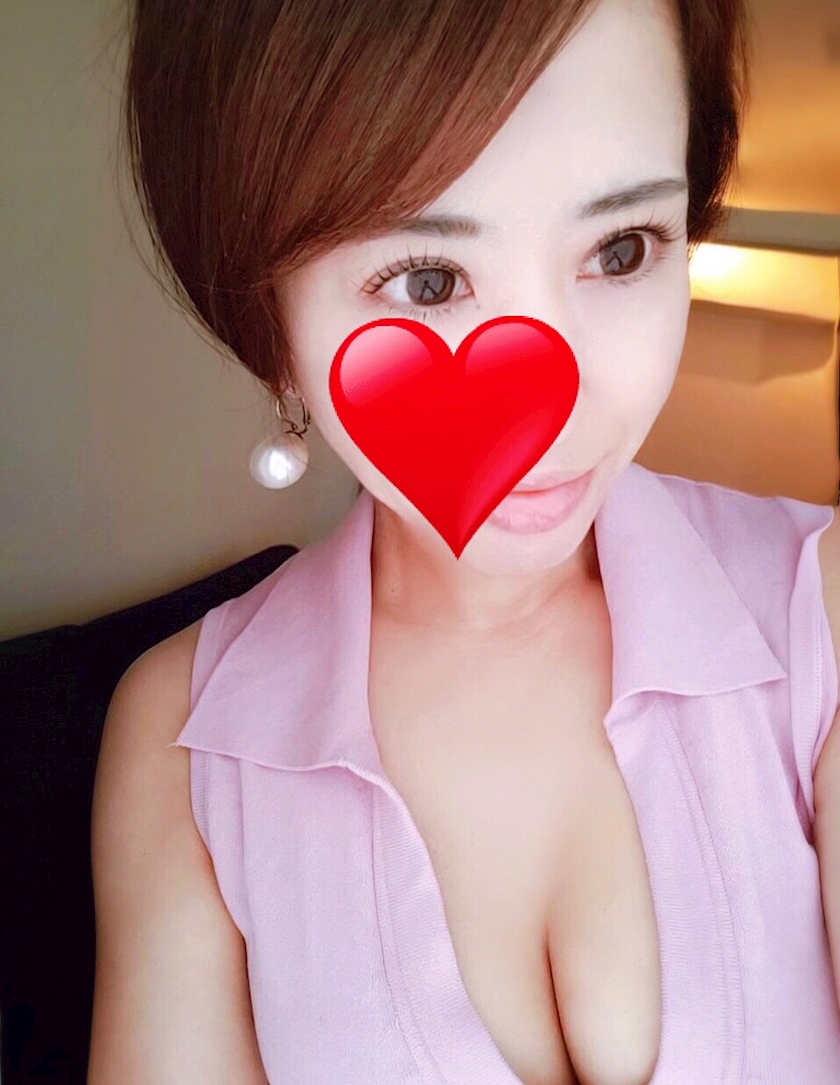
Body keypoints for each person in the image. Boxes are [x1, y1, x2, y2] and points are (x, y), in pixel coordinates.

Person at [88, 0, 840, 1082]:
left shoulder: (819, 606)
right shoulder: (186, 741)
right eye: (428, 281)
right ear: (269, 322)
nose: (553, 400)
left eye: (622, 248)